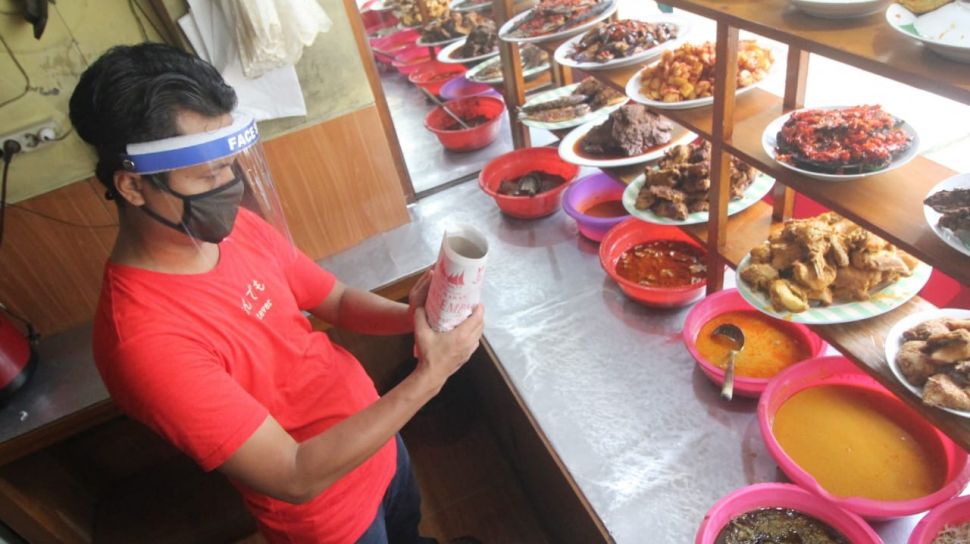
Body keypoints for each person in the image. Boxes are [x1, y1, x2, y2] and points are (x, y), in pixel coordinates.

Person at [69, 42, 484, 544]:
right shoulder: (143, 341)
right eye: (209, 174)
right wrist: (431, 376)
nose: (231, 185)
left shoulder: (230, 228)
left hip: (379, 437)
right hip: (334, 517)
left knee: (409, 532)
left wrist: (411, 313)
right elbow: (294, 474)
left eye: (229, 164)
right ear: (133, 188)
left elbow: (333, 299)